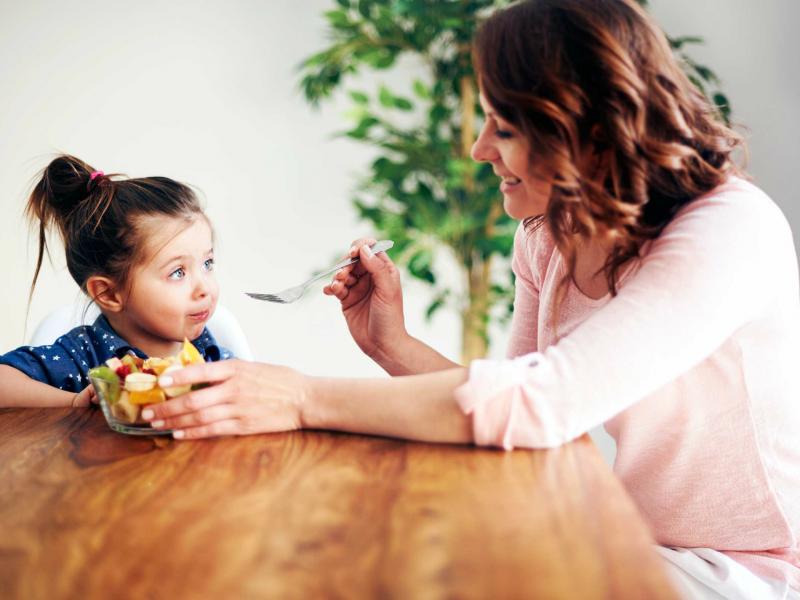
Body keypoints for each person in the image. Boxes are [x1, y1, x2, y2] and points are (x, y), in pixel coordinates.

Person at [141, 0, 799, 596]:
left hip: (748, 571)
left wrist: (299, 396)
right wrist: (391, 344)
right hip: (635, 540)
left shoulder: (731, 230)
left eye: (502, 127)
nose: (480, 150)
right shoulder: (548, 236)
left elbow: (538, 405)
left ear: (588, 129)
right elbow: (513, 402)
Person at [0, 154, 232, 408]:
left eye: (207, 264)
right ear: (108, 294)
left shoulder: (210, 353)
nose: (204, 289)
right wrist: (75, 403)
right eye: (178, 272)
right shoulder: (84, 355)